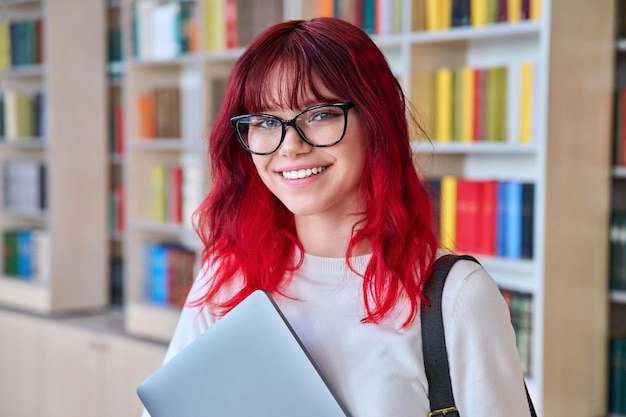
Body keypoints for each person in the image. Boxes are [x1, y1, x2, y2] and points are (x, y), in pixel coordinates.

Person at [156, 17, 531, 417]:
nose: (291, 146)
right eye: (265, 122)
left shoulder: (456, 295)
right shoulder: (225, 277)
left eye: (319, 114)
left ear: (375, 120)